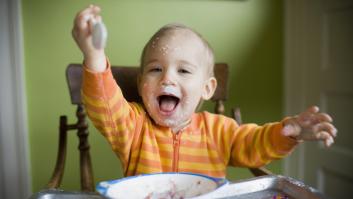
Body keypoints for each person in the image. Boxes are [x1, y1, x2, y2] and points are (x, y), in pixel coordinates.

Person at [72, 5, 337, 178]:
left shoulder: (220, 131)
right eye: (155, 70)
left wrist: (285, 133)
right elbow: (104, 104)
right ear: (141, 84)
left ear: (207, 88)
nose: (168, 79)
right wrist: (93, 53)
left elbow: (254, 144)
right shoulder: (132, 128)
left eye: (184, 71)